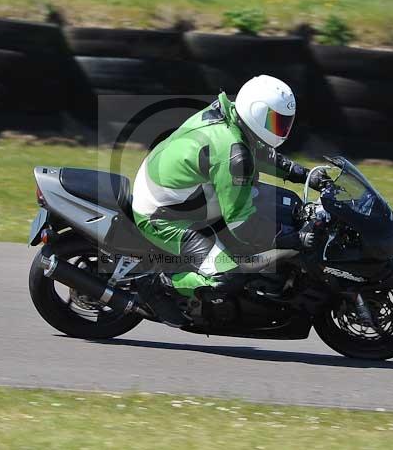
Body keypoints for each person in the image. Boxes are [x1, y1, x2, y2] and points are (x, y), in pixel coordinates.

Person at [131, 75, 325, 325]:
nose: (281, 129)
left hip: (181, 191)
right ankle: (158, 282)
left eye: (285, 122)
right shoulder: (232, 153)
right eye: (275, 121)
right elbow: (241, 226)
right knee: (228, 274)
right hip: (162, 215)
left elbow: (260, 153)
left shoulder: (230, 116)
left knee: (279, 203)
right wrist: (294, 239)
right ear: (256, 113)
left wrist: (304, 175)